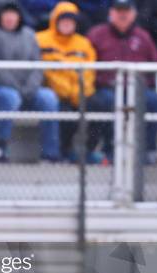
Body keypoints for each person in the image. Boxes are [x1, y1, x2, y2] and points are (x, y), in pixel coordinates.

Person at [0, 0, 61, 161]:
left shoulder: (29, 34)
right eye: (6, 14)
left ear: (19, 16)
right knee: (10, 97)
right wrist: (17, 89)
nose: (10, 18)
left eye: (13, 14)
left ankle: (50, 152)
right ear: (0, 15)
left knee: (48, 98)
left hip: (26, 90)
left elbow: (37, 66)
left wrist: (31, 87)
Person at [87, 0, 157, 163]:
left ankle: (148, 150)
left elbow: (154, 63)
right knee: (108, 101)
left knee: (155, 101)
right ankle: (110, 150)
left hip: (138, 88)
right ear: (111, 13)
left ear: (134, 14)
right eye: (119, 10)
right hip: (107, 88)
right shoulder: (96, 34)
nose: (123, 14)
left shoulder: (143, 36)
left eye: (126, 11)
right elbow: (87, 61)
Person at [36, 2, 99, 162]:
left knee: (99, 106)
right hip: (55, 90)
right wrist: (65, 90)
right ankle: (63, 151)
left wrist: (79, 91)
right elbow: (45, 71)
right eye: (63, 20)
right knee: (63, 110)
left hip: (79, 91)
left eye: (71, 21)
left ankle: (89, 152)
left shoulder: (83, 43)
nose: (66, 23)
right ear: (55, 20)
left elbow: (89, 71)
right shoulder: (41, 39)